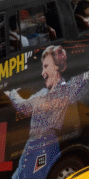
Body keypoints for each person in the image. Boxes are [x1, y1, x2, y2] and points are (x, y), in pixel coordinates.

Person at [5, 46, 89, 179]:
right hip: (30, 148)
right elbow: (24, 107)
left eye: (45, 66)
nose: (42, 72)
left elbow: (85, 77)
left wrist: (12, 94)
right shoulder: (43, 92)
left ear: (56, 67)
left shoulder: (67, 89)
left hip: (44, 147)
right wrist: (12, 94)